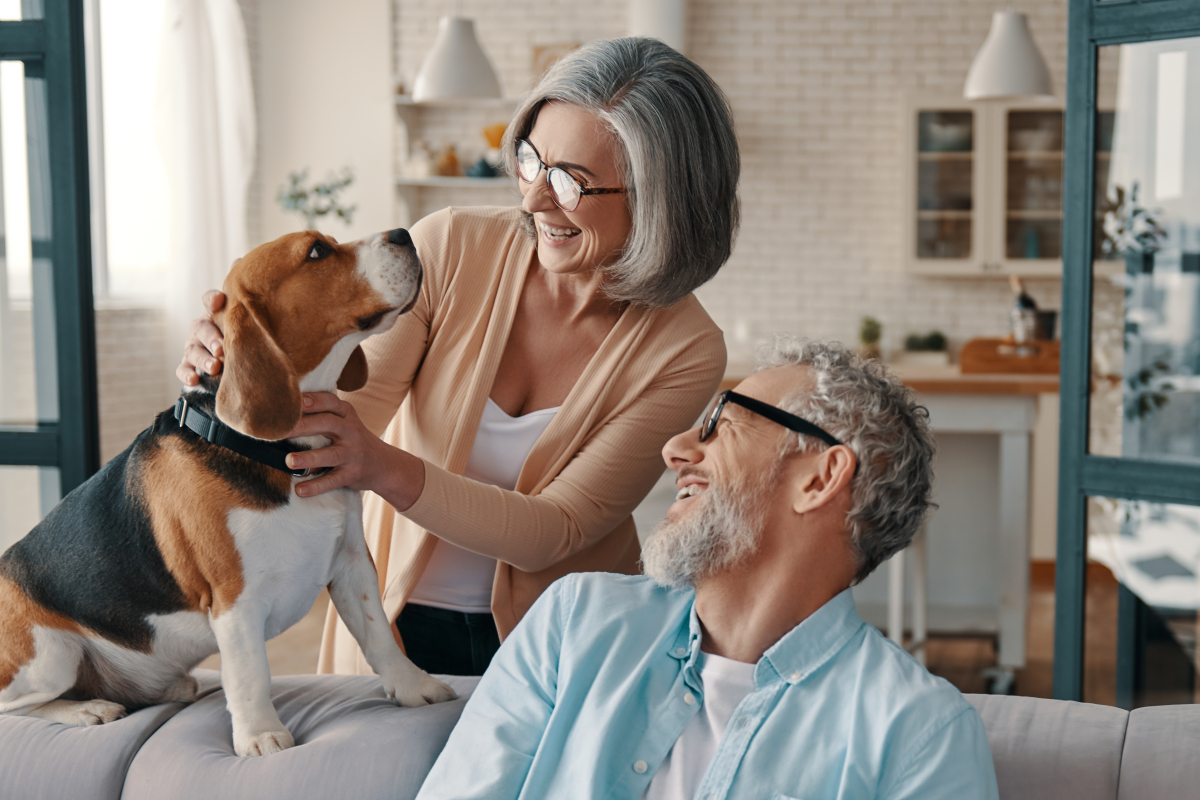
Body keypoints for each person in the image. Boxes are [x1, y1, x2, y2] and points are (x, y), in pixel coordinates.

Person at [176, 37, 741, 677]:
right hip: (391, 620)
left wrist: (383, 466)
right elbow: (335, 415)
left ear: (659, 198)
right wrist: (244, 357)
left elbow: (555, 530)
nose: (532, 201)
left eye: (570, 181)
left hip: (564, 645)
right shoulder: (449, 246)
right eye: (532, 161)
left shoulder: (687, 350)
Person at [414, 337, 1000, 800]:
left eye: (722, 421)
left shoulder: (920, 733)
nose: (676, 448)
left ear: (820, 479)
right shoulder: (575, 625)